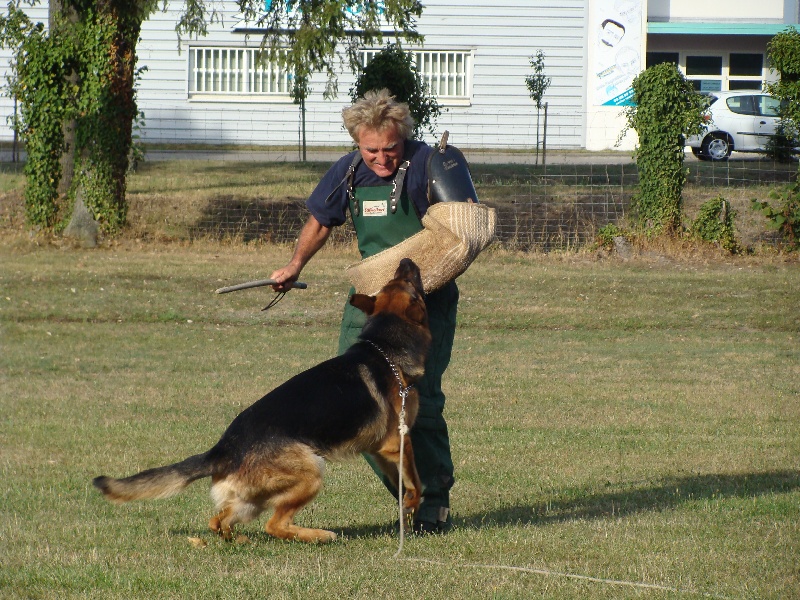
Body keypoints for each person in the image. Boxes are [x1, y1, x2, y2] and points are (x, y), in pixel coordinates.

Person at [269, 88, 457, 534]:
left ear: (403, 138)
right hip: (370, 303)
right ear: (357, 142)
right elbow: (319, 221)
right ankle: (405, 495)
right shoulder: (348, 171)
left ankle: (434, 502)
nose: (381, 159)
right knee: (357, 407)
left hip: (423, 306)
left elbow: (462, 225)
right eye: (371, 150)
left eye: (390, 149)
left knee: (418, 404)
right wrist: (294, 265)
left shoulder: (427, 166)